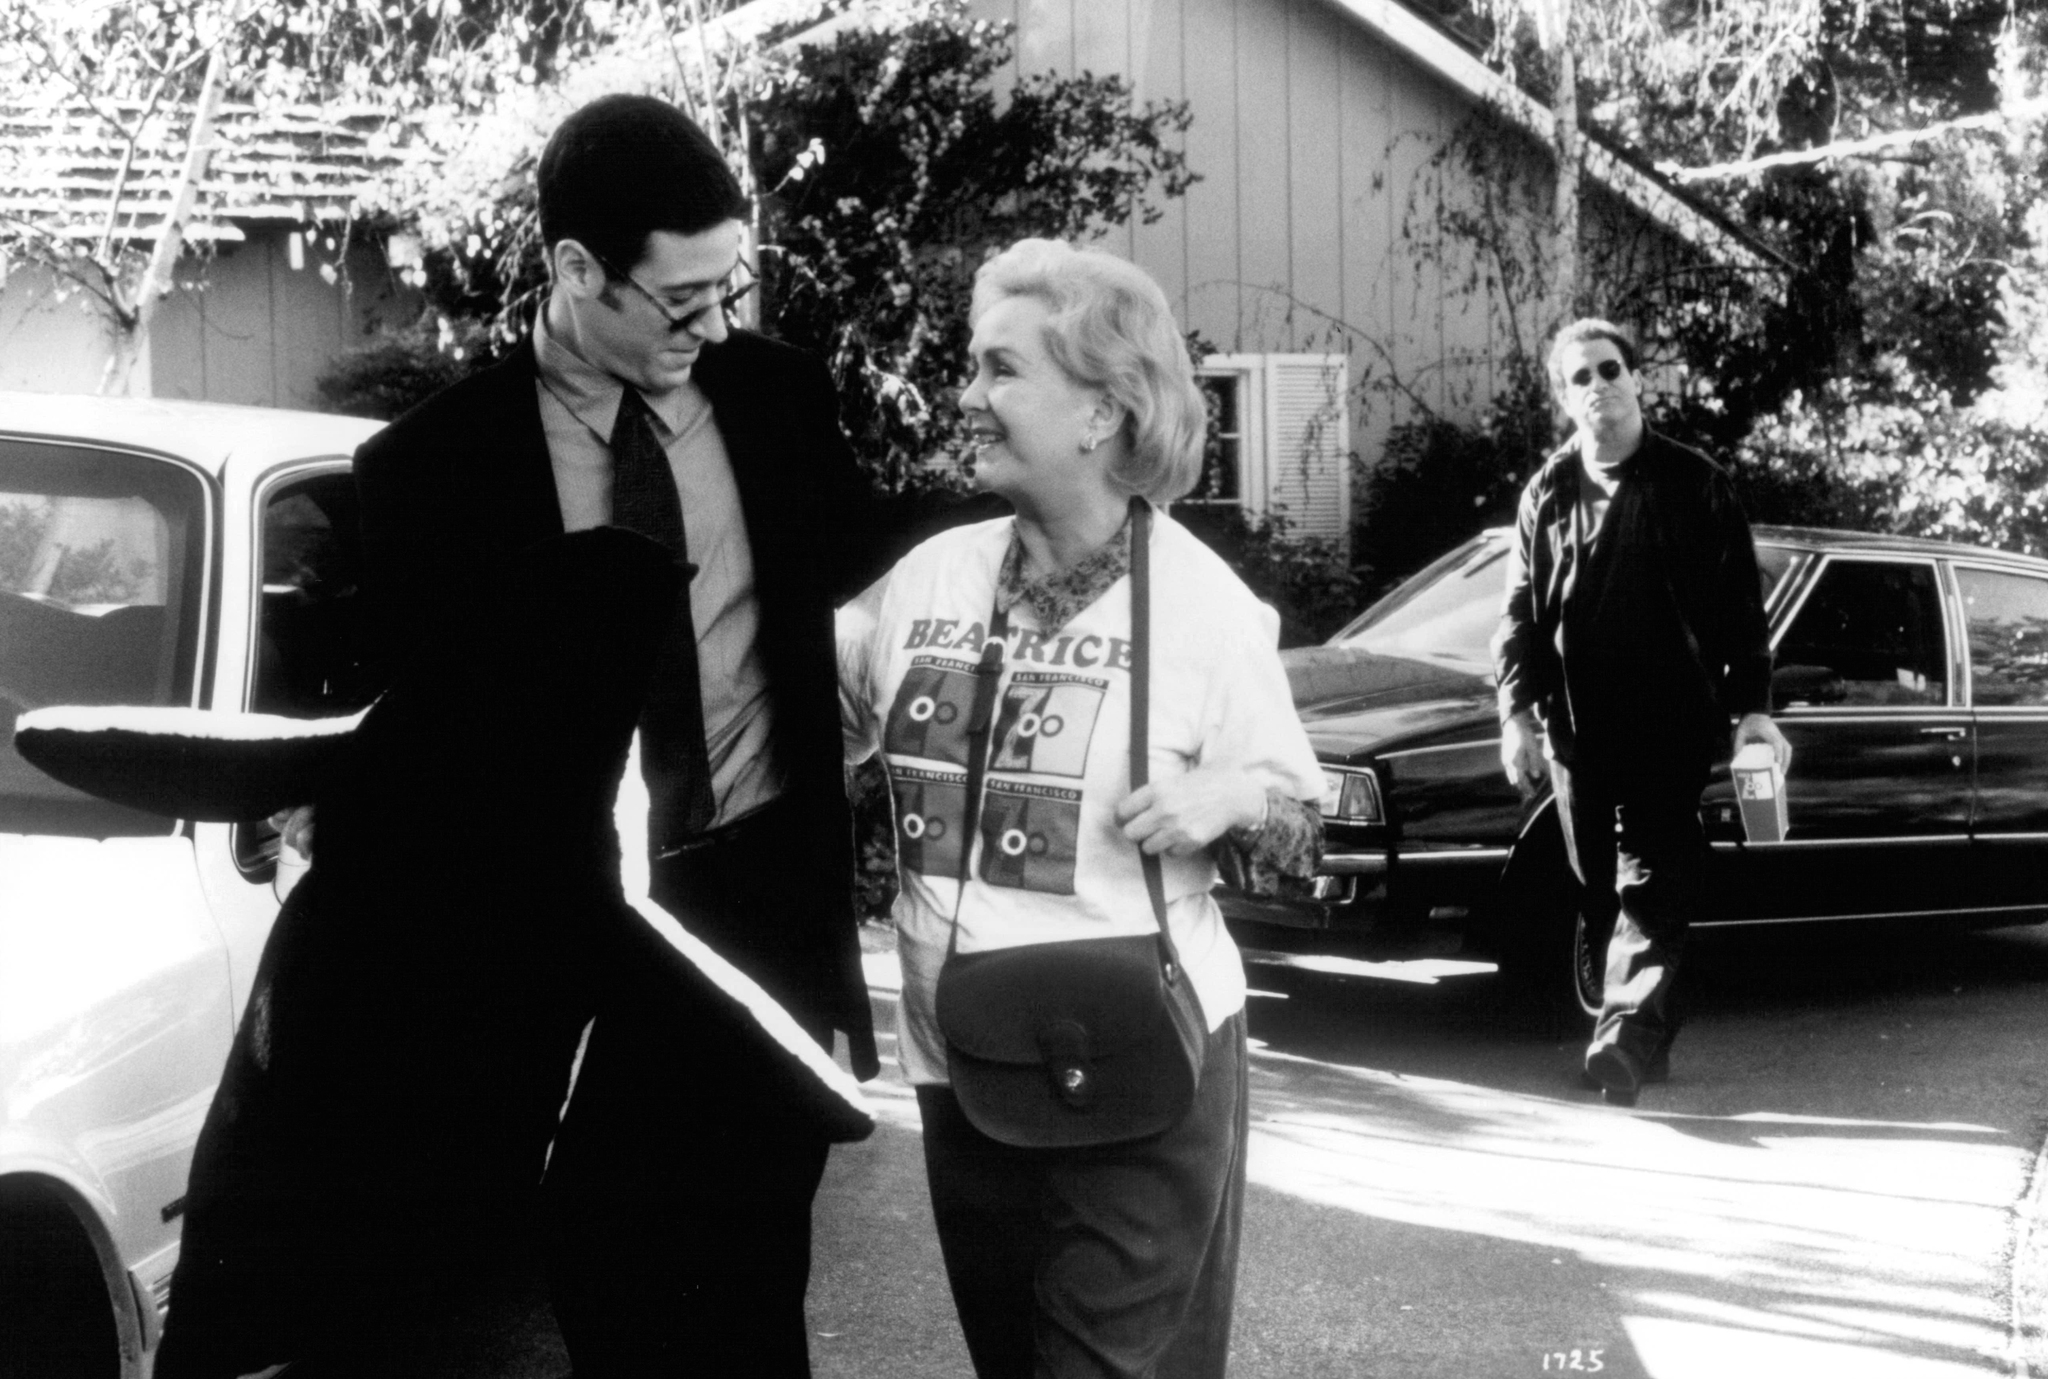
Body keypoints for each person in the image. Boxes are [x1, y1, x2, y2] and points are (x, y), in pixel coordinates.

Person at [351, 94, 887, 1376]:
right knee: (604, 1300)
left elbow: (889, 589)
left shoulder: (778, 403)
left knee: (756, 1304)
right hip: (569, 957)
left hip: (760, 925)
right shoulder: (429, 475)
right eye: (682, 300)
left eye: (730, 289)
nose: (715, 326)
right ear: (576, 271)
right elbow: (412, 763)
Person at [837, 238, 1325, 1378]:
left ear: (1101, 411)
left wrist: (1234, 795)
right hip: (961, 1060)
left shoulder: (1206, 608)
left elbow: (1304, 837)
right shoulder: (924, 581)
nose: (967, 395)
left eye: (1000, 369)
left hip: (1138, 1069)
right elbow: (808, 742)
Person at [1491, 317, 1791, 1106]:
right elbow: (1520, 612)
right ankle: (1642, 1030)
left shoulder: (1697, 482)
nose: (1600, 385)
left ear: (1636, 378)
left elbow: (1739, 612)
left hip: (1670, 726)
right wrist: (1514, 713)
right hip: (1576, 733)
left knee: (1648, 888)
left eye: (1610, 368)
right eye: (1581, 376)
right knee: (1598, 891)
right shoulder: (1547, 493)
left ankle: (1622, 1039)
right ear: (1564, 397)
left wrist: (1752, 712)